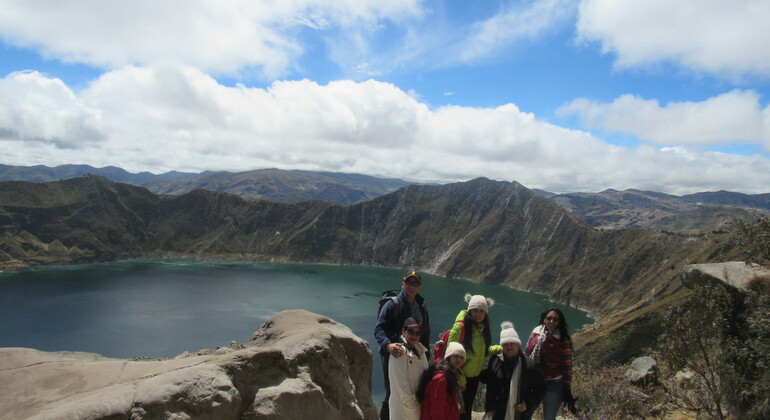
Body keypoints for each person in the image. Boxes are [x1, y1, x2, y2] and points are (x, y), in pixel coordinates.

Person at [375, 271, 431, 420]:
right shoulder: (393, 305)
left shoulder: (421, 306)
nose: (411, 286)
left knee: (413, 388)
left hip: (415, 354)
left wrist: (426, 356)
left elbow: (425, 334)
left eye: (415, 283)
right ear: (403, 284)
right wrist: (388, 345)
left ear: (419, 287)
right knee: (392, 392)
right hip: (394, 354)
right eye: (409, 282)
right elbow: (379, 329)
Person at [448, 294, 500, 420]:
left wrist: (500, 348)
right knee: (458, 411)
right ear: (469, 310)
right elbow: (450, 354)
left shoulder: (482, 328)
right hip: (461, 378)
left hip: (474, 378)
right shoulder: (461, 327)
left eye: (481, 311)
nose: (478, 314)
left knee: (467, 409)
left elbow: (481, 351)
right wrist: (461, 379)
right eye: (475, 310)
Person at [481, 322, 546, 420]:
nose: (509, 347)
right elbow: (486, 378)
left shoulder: (529, 365)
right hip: (495, 412)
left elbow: (541, 387)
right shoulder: (495, 360)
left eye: (512, 343)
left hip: (518, 414)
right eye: (505, 344)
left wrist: (527, 403)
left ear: (518, 345)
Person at [524, 308, 575, 420]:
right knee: (525, 413)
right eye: (549, 318)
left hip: (554, 384)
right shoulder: (536, 332)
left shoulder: (563, 338)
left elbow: (567, 365)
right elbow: (527, 354)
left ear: (560, 322)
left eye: (555, 319)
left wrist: (567, 388)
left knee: (549, 417)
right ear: (544, 319)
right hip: (534, 381)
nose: (552, 321)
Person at [388, 317, 430, 420]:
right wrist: (414, 405)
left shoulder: (421, 351)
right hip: (404, 409)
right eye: (411, 331)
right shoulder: (399, 352)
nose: (414, 335)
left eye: (418, 333)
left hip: (417, 408)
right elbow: (401, 384)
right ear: (403, 331)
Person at [419, 342, 466, 420]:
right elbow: (437, 409)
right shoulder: (441, 379)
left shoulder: (451, 376)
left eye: (462, 357)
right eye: (456, 356)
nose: (459, 360)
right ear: (448, 357)